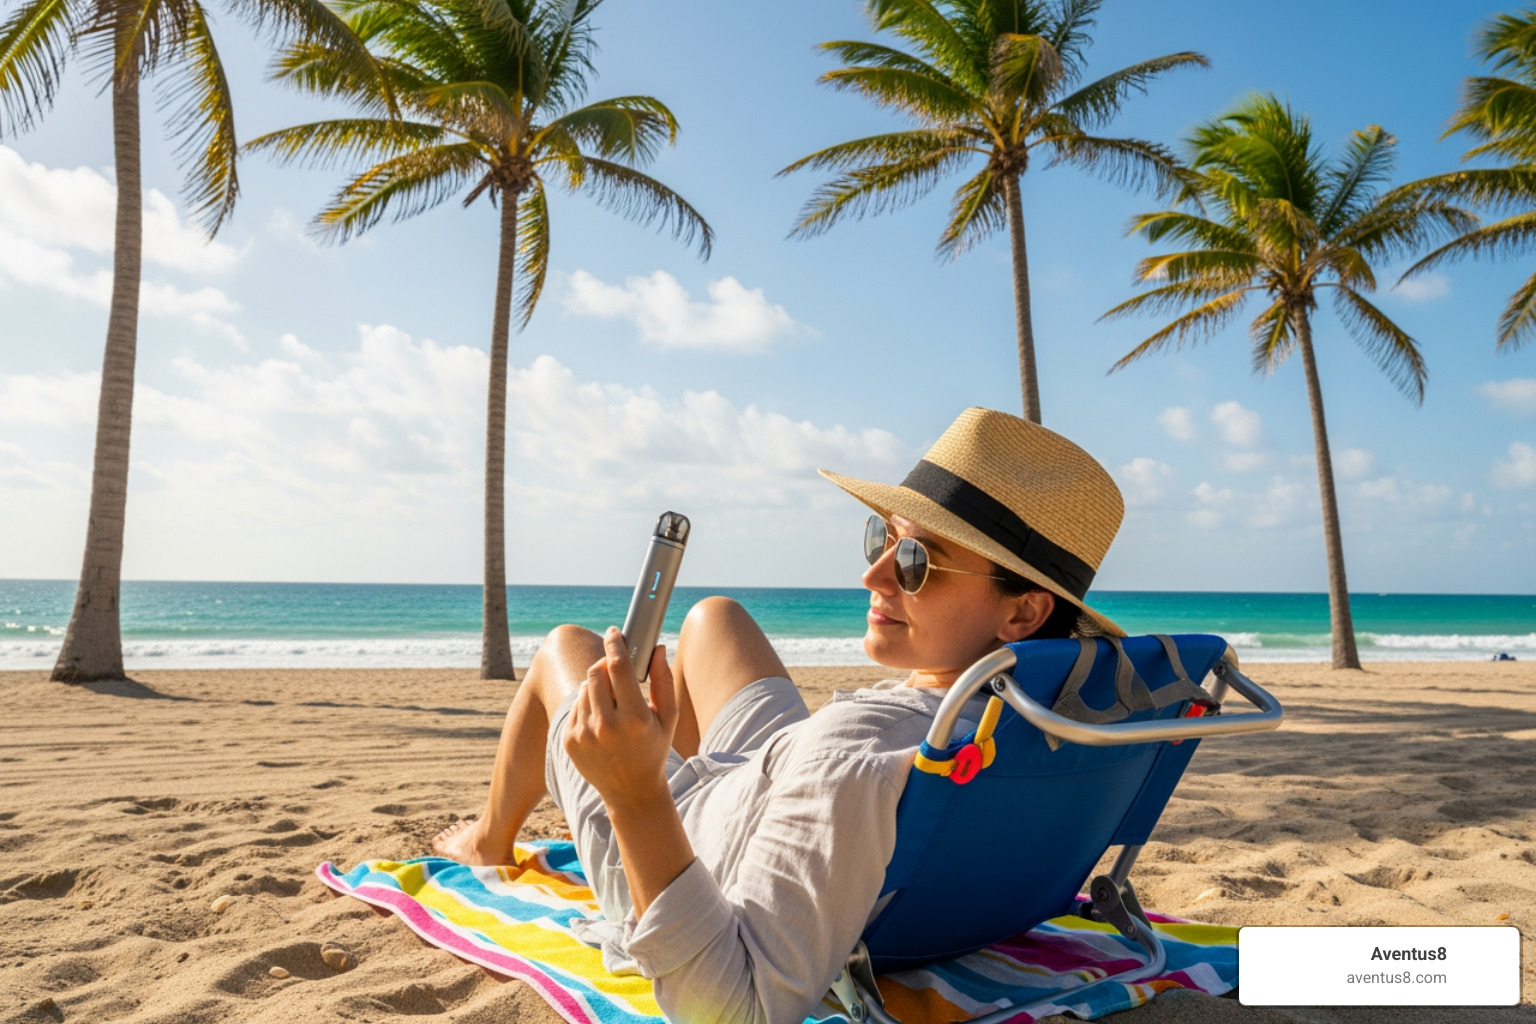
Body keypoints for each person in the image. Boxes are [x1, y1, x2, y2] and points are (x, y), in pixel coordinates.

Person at [432, 407, 1127, 1024]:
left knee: (569, 650)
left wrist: (635, 788)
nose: (874, 574)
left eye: (917, 560)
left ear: (1022, 611)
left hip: (683, 838)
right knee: (714, 617)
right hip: (764, 780)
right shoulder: (1042, 718)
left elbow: (734, 1007)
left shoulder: (852, 759)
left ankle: (490, 844)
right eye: (881, 539)